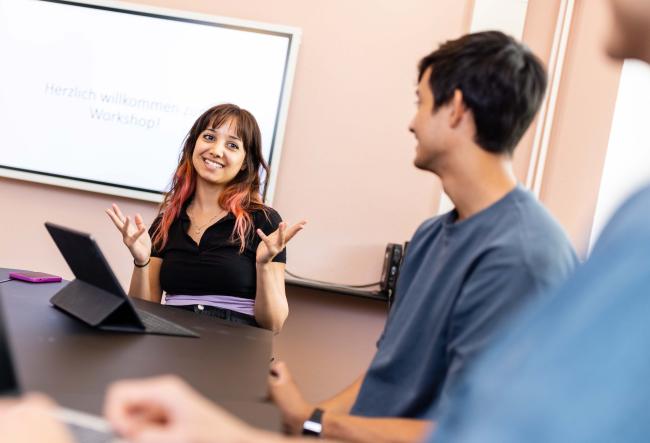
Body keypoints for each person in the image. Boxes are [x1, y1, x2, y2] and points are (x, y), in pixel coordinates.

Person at [101, 31, 578, 443]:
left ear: (454, 110)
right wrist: (307, 419)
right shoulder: (433, 236)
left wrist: (312, 421)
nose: (412, 121)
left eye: (421, 102)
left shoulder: (522, 255)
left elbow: (475, 430)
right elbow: (386, 372)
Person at [107, 104, 305, 332]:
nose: (216, 150)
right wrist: (141, 261)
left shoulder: (263, 221)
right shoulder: (166, 222)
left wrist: (264, 265)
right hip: (173, 343)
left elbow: (274, 324)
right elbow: (144, 312)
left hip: (234, 349)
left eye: (232, 145)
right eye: (209, 137)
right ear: (193, 145)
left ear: (245, 163)